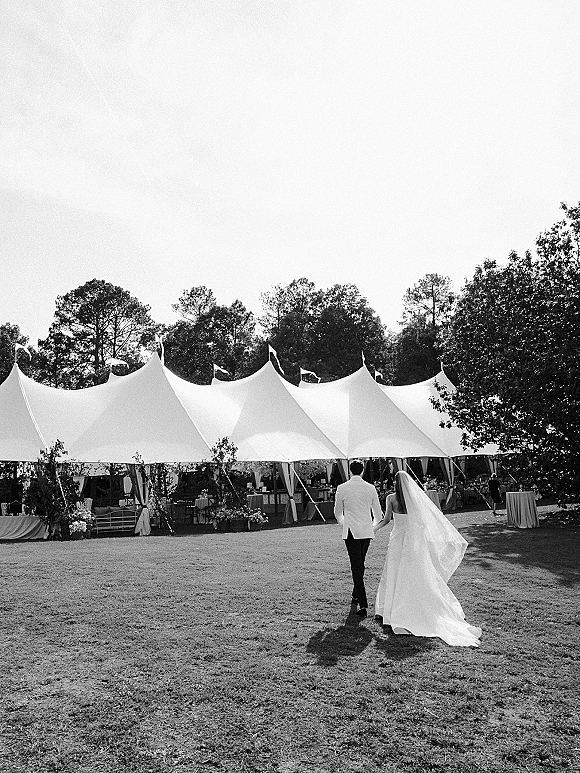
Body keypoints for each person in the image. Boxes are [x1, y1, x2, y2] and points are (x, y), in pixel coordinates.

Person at [374, 470, 481, 647]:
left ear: (395, 483)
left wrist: (373, 529)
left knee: (393, 572)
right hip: (412, 541)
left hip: (397, 539)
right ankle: (404, 606)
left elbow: (386, 520)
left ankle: (390, 608)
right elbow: (422, 522)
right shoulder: (415, 499)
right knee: (414, 573)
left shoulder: (391, 498)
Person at [334, 459, 383, 617]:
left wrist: (344, 523)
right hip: (366, 531)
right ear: (362, 471)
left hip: (351, 532)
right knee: (359, 565)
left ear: (350, 471)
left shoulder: (342, 488)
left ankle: (362, 603)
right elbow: (378, 514)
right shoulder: (370, 488)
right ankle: (357, 597)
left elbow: (337, 512)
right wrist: (372, 526)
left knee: (357, 566)